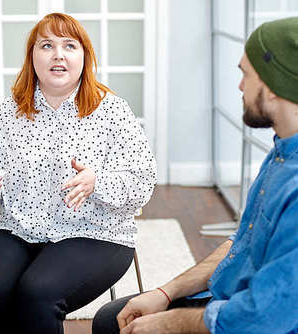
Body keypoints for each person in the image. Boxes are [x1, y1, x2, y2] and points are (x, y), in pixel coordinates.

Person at [92, 17, 298, 334]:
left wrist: (171, 323)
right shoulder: (281, 154)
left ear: (271, 88)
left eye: (246, 74)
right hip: (232, 300)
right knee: (113, 318)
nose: (240, 86)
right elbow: (241, 246)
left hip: (251, 322)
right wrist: (166, 292)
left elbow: (263, 318)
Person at [0, 13, 157, 334]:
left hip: (96, 232)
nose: (58, 54)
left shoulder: (112, 112)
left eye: (70, 45)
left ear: (84, 57)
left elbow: (142, 184)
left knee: (37, 293)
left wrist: (97, 182)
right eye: (47, 46)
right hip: (19, 228)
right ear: (32, 57)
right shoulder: (6, 114)